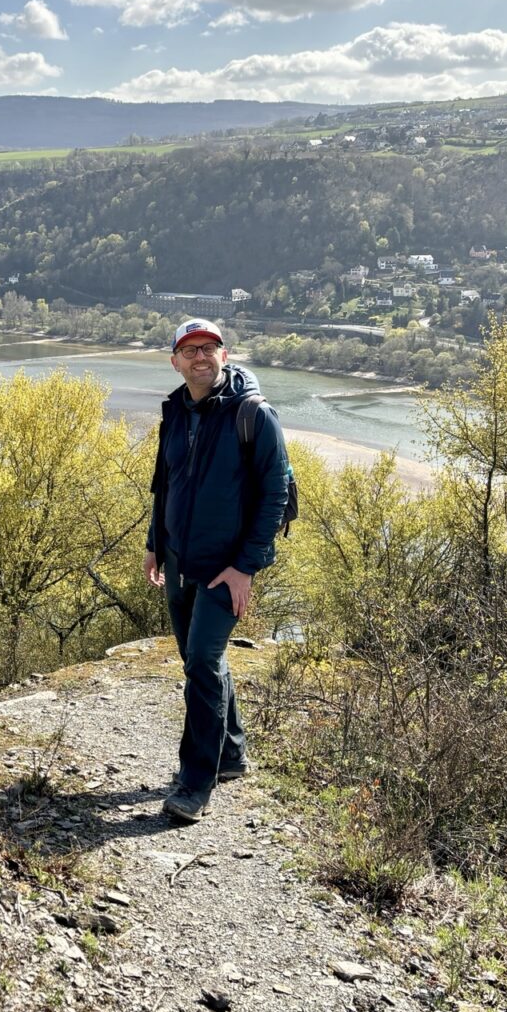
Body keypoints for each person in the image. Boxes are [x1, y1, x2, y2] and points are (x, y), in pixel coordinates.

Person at [144, 317, 290, 823]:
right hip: (179, 561)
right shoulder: (175, 411)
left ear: (224, 356)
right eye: (190, 350)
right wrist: (154, 545)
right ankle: (231, 754)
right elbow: (164, 484)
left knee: (202, 664)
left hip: (226, 568)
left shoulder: (253, 414)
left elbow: (276, 493)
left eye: (209, 348)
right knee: (200, 660)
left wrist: (245, 567)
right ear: (175, 362)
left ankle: (194, 783)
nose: (200, 357)